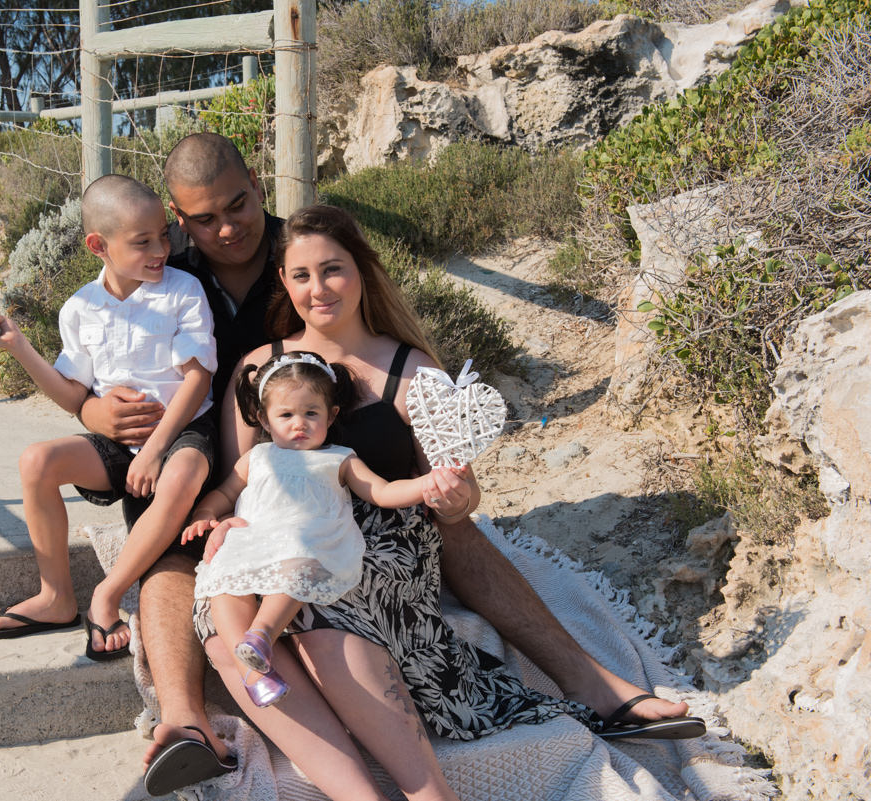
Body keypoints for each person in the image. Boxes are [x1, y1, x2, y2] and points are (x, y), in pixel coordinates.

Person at [74, 134, 698, 795]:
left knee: (371, 560)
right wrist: (99, 418)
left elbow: (447, 485)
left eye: (238, 205)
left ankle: (579, 689)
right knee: (197, 558)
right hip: (201, 448)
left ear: (258, 184)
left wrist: (450, 495)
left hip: (362, 511)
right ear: (177, 217)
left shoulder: (320, 267)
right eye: (205, 218)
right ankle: (188, 722)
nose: (227, 227)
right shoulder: (163, 271)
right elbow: (126, 374)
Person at [0, 174, 218, 662]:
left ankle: (107, 594)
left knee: (183, 472)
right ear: (97, 245)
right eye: (142, 241)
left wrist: (153, 451)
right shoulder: (80, 308)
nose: (160, 250)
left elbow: (198, 380)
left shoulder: (182, 291)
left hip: (183, 431)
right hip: (118, 443)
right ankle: (55, 596)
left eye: (164, 236)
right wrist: (18, 346)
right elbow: (72, 393)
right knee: (37, 461)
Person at [183, 351, 458, 708]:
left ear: (332, 416)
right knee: (221, 580)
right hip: (254, 534)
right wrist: (206, 514)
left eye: (311, 413)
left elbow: (382, 491)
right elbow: (225, 492)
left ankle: (262, 633)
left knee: (300, 563)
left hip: (309, 537)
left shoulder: (339, 458)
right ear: (264, 421)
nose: (299, 424)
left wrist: (427, 483)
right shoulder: (257, 458)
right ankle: (252, 673)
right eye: (286, 415)